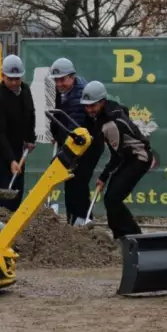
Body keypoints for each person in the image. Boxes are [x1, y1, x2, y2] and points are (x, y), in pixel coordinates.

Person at [80, 81, 154, 240]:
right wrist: (104, 178)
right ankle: (119, 236)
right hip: (129, 156)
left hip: (139, 158)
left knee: (113, 199)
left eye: (93, 105)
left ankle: (134, 237)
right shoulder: (110, 109)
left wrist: (103, 176)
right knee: (110, 199)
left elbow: (117, 156)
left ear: (102, 102)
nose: (89, 109)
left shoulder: (109, 125)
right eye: (86, 106)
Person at [48, 57, 104, 226]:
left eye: (62, 79)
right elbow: (59, 116)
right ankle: (73, 222)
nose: (59, 83)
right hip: (74, 144)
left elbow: (76, 127)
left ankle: (83, 223)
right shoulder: (64, 91)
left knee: (78, 182)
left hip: (87, 146)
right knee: (71, 182)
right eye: (56, 80)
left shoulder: (80, 94)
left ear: (72, 77)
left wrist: (64, 149)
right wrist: (56, 134)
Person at [0, 55, 36, 211]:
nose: (14, 83)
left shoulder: (25, 90)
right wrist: (11, 160)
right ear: (2, 76)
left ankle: (14, 222)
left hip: (16, 146)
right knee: (4, 192)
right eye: (10, 78)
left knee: (17, 191)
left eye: (17, 78)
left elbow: (30, 114)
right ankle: (1, 223)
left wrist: (29, 139)